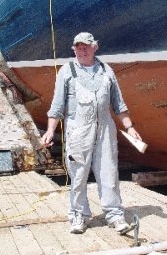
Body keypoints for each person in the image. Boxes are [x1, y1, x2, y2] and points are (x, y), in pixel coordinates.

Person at [41, 32, 142, 235]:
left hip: (105, 130)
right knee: (78, 176)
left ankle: (115, 215)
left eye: (86, 46)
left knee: (109, 174)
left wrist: (130, 127)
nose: (82, 50)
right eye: (78, 47)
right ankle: (79, 215)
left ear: (95, 46)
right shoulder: (66, 71)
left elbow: (118, 105)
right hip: (79, 131)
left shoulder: (107, 71)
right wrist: (50, 131)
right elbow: (57, 106)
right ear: (74, 49)